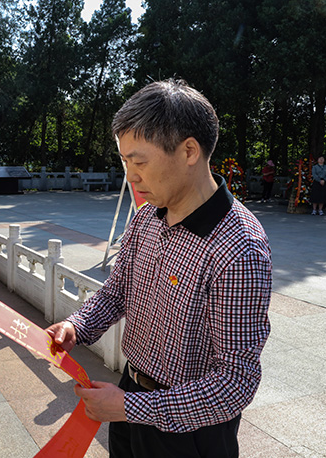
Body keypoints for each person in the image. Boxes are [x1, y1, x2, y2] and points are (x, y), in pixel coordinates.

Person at [46, 79, 272, 458]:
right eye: (125, 163)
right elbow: (117, 292)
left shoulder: (238, 248)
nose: (131, 177)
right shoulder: (147, 217)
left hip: (189, 431)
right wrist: (76, 326)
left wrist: (132, 407)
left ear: (189, 151)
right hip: (130, 392)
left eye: (140, 162)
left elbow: (235, 383)